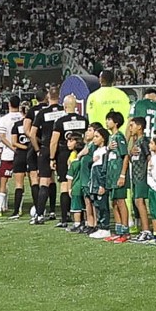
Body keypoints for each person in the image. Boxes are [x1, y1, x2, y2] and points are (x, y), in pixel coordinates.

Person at [30, 86, 63, 225]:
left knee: (44, 181)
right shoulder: (63, 111)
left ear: (48, 97)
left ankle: (39, 215)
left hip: (46, 148)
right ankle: (56, 211)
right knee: (62, 182)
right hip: (62, 149)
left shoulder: (42, 113)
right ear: (59, 97)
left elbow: (32, 134)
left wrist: (37, 150)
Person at [54, 95, 88, 227]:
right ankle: (83, 218)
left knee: (64, 185)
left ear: (64, 106)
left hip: (64, 155)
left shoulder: (60, 121)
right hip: (81, 153)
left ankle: (64, 218)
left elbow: (54, 141)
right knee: (80, 184)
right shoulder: (84, 120)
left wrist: (51, 158)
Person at [103, 110, 132, 241]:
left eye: (109, 120)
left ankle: (125, 231)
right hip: (111, 176)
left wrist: (122, 175)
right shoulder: (111, 138)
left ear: (116, 123)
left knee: (120, 201)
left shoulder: (120, 137)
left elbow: (125, 156)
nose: (107, 122)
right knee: (113, 202)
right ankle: (118, 230)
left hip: (118, 175)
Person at [126, 117, 152, 241]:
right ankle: (143, 229)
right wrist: (131, 153)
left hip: (142, 176)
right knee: (136, 202)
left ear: (140, 127)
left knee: (139, 201)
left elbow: (149, 157)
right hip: (136, 177)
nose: (130, 128)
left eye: (132, 125)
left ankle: (146, 230)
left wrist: (149, 172)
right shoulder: (136, 142)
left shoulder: (144, 141)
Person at [87, 127, 111, 239]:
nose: (94, 139)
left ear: (103, 138)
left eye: (97, 137)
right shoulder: (96, 151)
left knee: (103, 206)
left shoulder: (105, 151)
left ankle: (105, 228)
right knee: (97, 205)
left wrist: (102, 185)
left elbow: (103, 170)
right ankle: (100, 227)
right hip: (94, 183)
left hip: (100, 183)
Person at [8, 103, 32, 219]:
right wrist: (30, 147)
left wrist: (23, 147)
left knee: (19, 184)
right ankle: (39, 210)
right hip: (31, 154)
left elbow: (14, 143)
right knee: (34, 183)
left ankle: (16, 211)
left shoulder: (17, 125)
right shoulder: (33, 125)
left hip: (20, 155)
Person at [65, 134, 88, 233]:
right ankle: (87, 223)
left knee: (76, 208)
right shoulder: (85, 161)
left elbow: (70, 177)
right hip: (85, 186)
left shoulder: (74, 162)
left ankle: (77, 224)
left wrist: (69, 189)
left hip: (76, 188)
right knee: (85, 207)